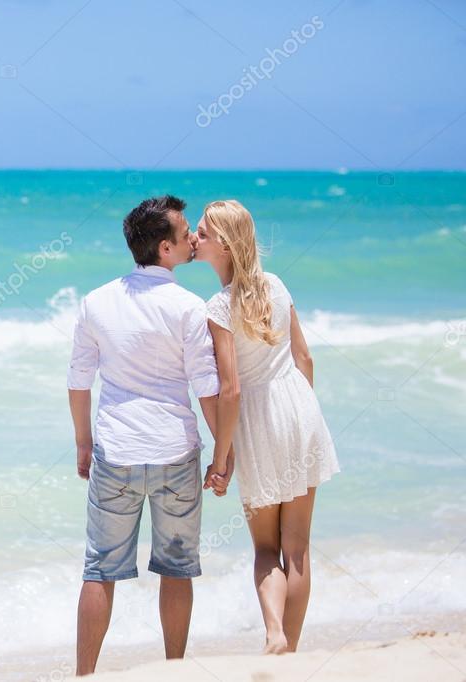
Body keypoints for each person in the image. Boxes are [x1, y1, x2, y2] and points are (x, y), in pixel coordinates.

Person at [68, 195, 221, 675]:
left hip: (116, 451)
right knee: (177, 569)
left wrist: (83, 443)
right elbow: (207, 387)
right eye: (184, 234)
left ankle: (85, 674)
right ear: (165, 249)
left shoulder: (96, 300)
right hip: (176, 451)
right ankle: (174, 668)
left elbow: (78, 380)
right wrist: (224, 451)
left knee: (100, 569)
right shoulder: (189, 307)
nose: (192, 238)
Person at [193, 199, 340, 654]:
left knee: (264, 550)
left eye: (202, 232)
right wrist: (303, 412)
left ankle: (274, 632)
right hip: (300, 408)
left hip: (258, 421)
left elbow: (231, 390)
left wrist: (221, 459)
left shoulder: (217, 307)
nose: (194, 239)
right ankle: (290, 652)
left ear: (222, 244)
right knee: (297, 547)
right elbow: (305, 358)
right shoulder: (275, 285)